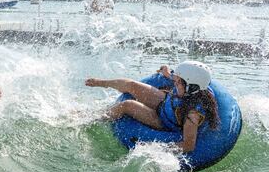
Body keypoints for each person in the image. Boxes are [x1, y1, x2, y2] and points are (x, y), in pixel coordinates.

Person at [85, 61, 220, 152]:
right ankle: (102, 82)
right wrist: (166, 71)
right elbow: (173, 77)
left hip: (163, 121)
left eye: (179, 82)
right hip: (166, 102)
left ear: (190, 87)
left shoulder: (192, 114)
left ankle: (94, 118)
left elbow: (188, 145)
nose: (175, 82)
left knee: (128, 105)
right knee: (131, 85)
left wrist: (157, 148)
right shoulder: (191, 87)